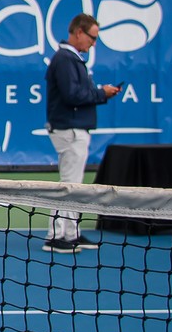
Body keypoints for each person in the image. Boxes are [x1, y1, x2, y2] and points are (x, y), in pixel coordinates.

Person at [43, 13, 121, 254]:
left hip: (74, 128)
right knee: (68, 184)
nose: (93, 43)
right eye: (92, 37)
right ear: (79, 32)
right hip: (69, 130)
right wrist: (101, 93)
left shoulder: (72, 59)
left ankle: (71, 232)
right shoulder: (65, 59)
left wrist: (99, 92)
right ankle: (55, 236)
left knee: (74, 184)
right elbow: (72, 95)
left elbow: (76, 93)